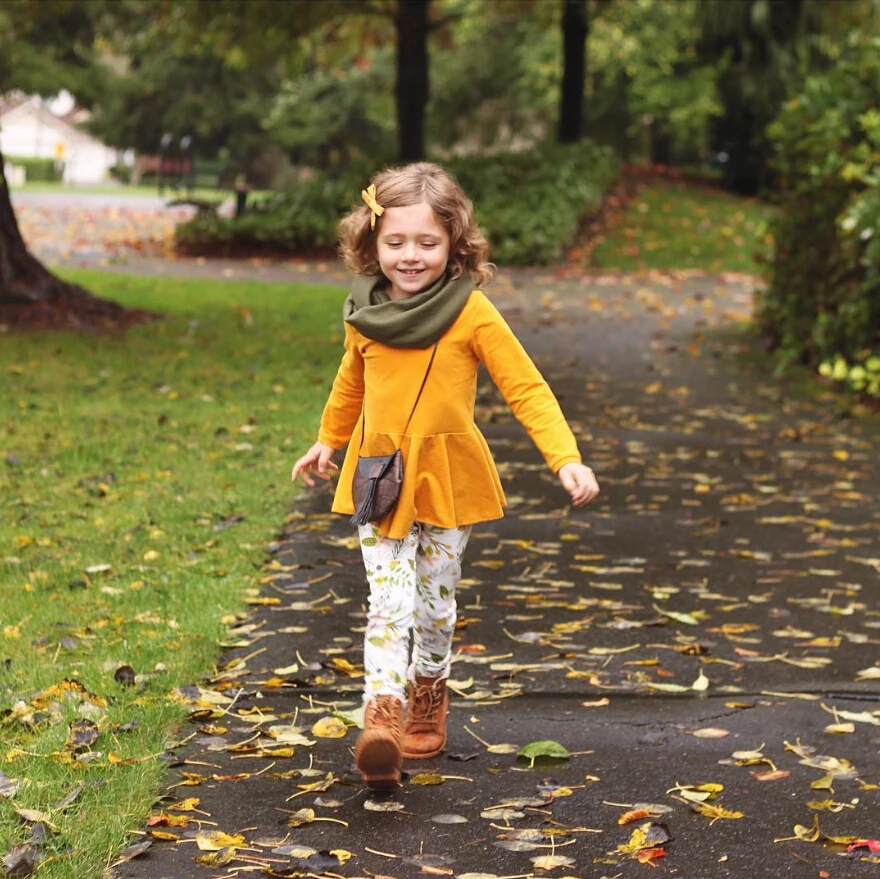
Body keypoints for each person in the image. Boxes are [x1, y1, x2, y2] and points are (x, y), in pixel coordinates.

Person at [291, 162, 600, 789]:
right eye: (395, 241)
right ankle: (382, 717)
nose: (411, 256)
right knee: (388, 602)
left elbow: (526, 389)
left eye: (428, 243)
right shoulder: (363, 314)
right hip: (379, 476)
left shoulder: (473, 313)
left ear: (455, 245)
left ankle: (428, 694)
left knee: (435, 604)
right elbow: (350, 384)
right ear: (371, 244)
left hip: (447, 476)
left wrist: (565, 456)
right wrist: (326, 441)